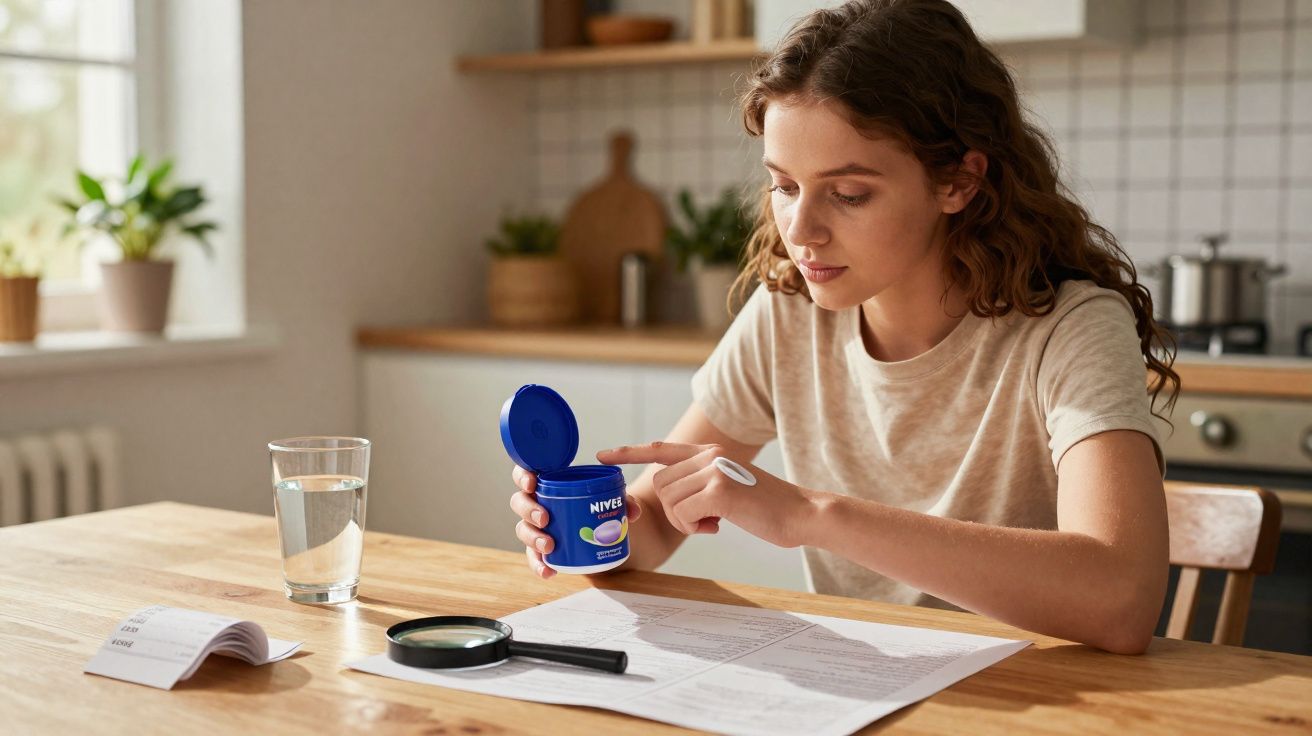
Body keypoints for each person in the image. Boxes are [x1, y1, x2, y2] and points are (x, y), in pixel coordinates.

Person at [509, 0, 1179, 655]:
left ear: (959, 182)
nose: (800, 231)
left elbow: (1120, 601)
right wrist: (592, 529)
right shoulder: (786, 317)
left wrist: (809, 514)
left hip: (1041, 700)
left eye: (849, 193)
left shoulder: (1070, 330)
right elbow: (652, 522)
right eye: (785, 185)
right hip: (862, 691)